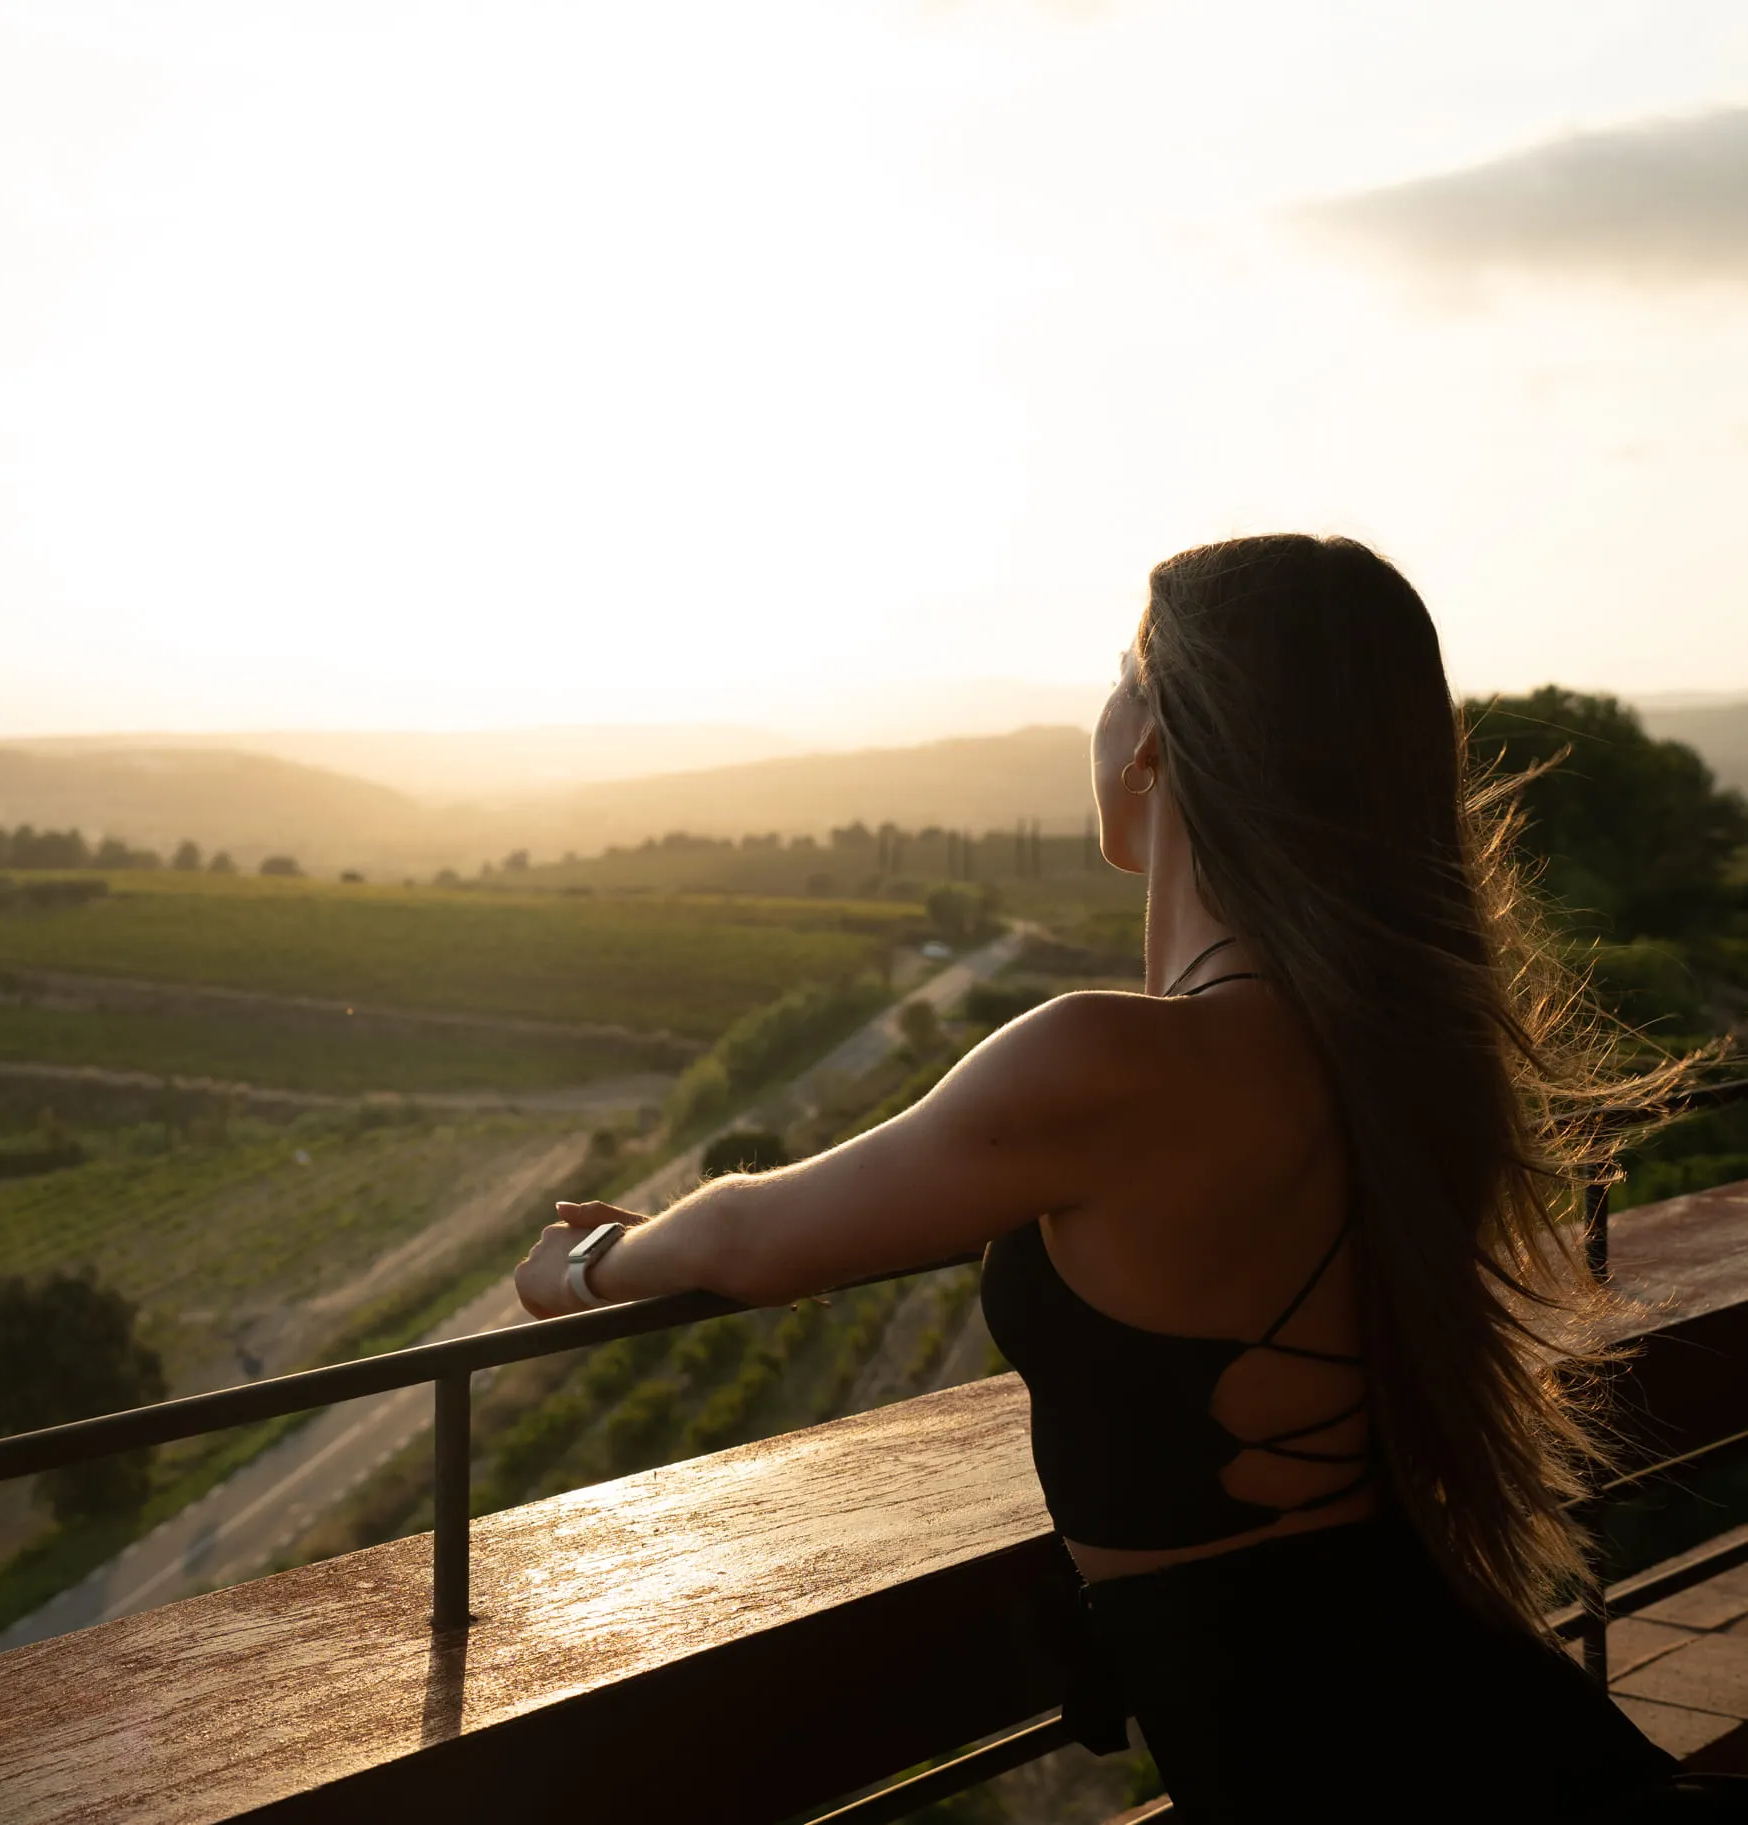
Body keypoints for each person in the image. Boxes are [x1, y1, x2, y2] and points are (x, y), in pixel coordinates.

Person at [515, 535, 1744, 1822]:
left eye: (1120, 671)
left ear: (1156, 740)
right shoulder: (1389, 1040)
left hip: (1342, 1759)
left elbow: (755, 1235)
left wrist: (584, 1267)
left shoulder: (1108, 1062)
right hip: (1443, 1705)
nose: (1097, 706)